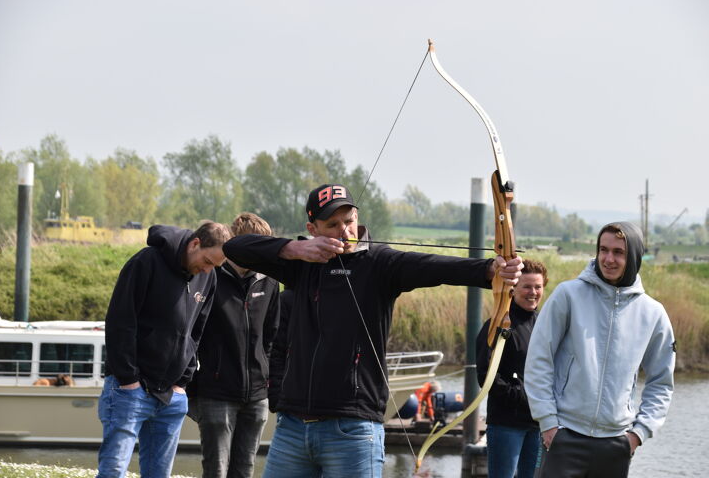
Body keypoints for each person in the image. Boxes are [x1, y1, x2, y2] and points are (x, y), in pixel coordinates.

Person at [222, 183, 524, 478]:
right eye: (332, 224)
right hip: (292, 427)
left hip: (353, 429)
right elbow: (234, 248)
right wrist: (295, 248)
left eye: (349, 221)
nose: (344, 230)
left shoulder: (380, 263)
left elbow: (434, 266)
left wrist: (490, 271)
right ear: (312, 229)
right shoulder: (301, 264)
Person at [524, 222, 675, 478]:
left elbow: (661, 382)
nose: (608, 259)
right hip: (564, 436)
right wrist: (548, 422)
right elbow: (539, 359)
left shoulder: (653, 313)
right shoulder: (567, 295)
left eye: (619, 252)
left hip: (616, 443)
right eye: (603, 250)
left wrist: (638, 434)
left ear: (634, 256)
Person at [97, 222, 230, 478]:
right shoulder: (145, 262)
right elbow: (120, 322)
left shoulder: (209, 277)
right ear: (195, 244)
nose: (208, 269)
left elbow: (197, 331)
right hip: (129, 390)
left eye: (215, 265)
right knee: (113, 472)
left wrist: (183, 381)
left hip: (171, 395)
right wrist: (129, 380)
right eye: (207, 260)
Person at [188, 213, 280, 478]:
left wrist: (266, 380)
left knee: (245, 470)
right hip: (215, 393)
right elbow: (191, 334)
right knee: (216, 470)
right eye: (255, 247)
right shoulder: (209, 277)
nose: (261, 254)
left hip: (257, 396)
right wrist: (195, 386)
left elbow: (272, 336)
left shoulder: (270, 281)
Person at [476, 259, 548, 478]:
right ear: (513, 287)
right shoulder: (497, 325)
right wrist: (520, 395)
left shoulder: (546, 324)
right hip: (507, 424)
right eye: (526, 286)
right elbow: (485, 375)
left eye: (538, 287)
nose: (532, 292)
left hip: (538, 425)